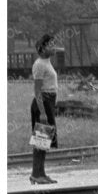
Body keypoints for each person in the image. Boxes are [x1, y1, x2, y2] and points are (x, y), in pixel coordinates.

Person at [28, 34, 60, 184]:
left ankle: (41, 173)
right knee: (40, 140)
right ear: (42, 47)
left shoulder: (47, 63)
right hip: (43, 103)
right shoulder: (40, 64)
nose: (53, 47)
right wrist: (42, 112)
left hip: (49, 102)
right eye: (50, 44)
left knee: (44, 141)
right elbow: (37, 91)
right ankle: (36, 174)